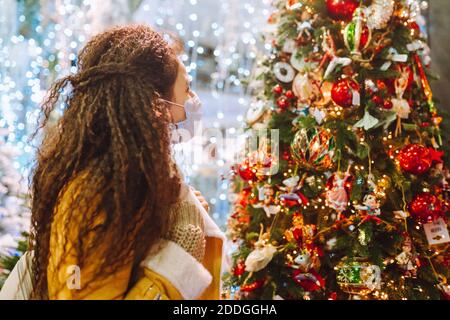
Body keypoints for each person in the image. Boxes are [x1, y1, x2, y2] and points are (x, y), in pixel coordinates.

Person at [1, 25, 225, 300]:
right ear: (157, 102)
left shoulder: (136, 178)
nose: (193, 101)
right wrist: (178, 254)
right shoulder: (107, 192)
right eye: (187, 88)